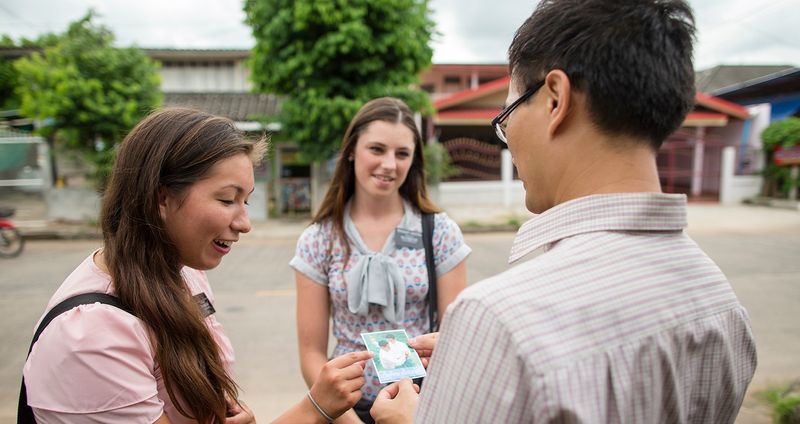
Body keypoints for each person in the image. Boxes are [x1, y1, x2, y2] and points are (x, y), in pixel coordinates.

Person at [371, 1, 758, 423]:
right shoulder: (722, 304)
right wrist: (482, 356)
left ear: (555, 99)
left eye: (507, 114)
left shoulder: (500, 316)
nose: (507, 139)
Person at [22, 107, 371, 423]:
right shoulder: (93, 337)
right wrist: (316, 408)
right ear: (161, 197)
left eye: (246, 201)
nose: (244, 222)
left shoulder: (186, 274)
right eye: (226, 199)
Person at [290, 97, 471, 423]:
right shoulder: (319, 239)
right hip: (344, 410)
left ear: (414, 162)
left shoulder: (440, 232)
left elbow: (456, 339)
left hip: (422, 405)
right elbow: (311, 353)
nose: (389, 164)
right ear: (351, 151)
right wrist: (347, 419)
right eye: (377, 149)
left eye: (402, 154)